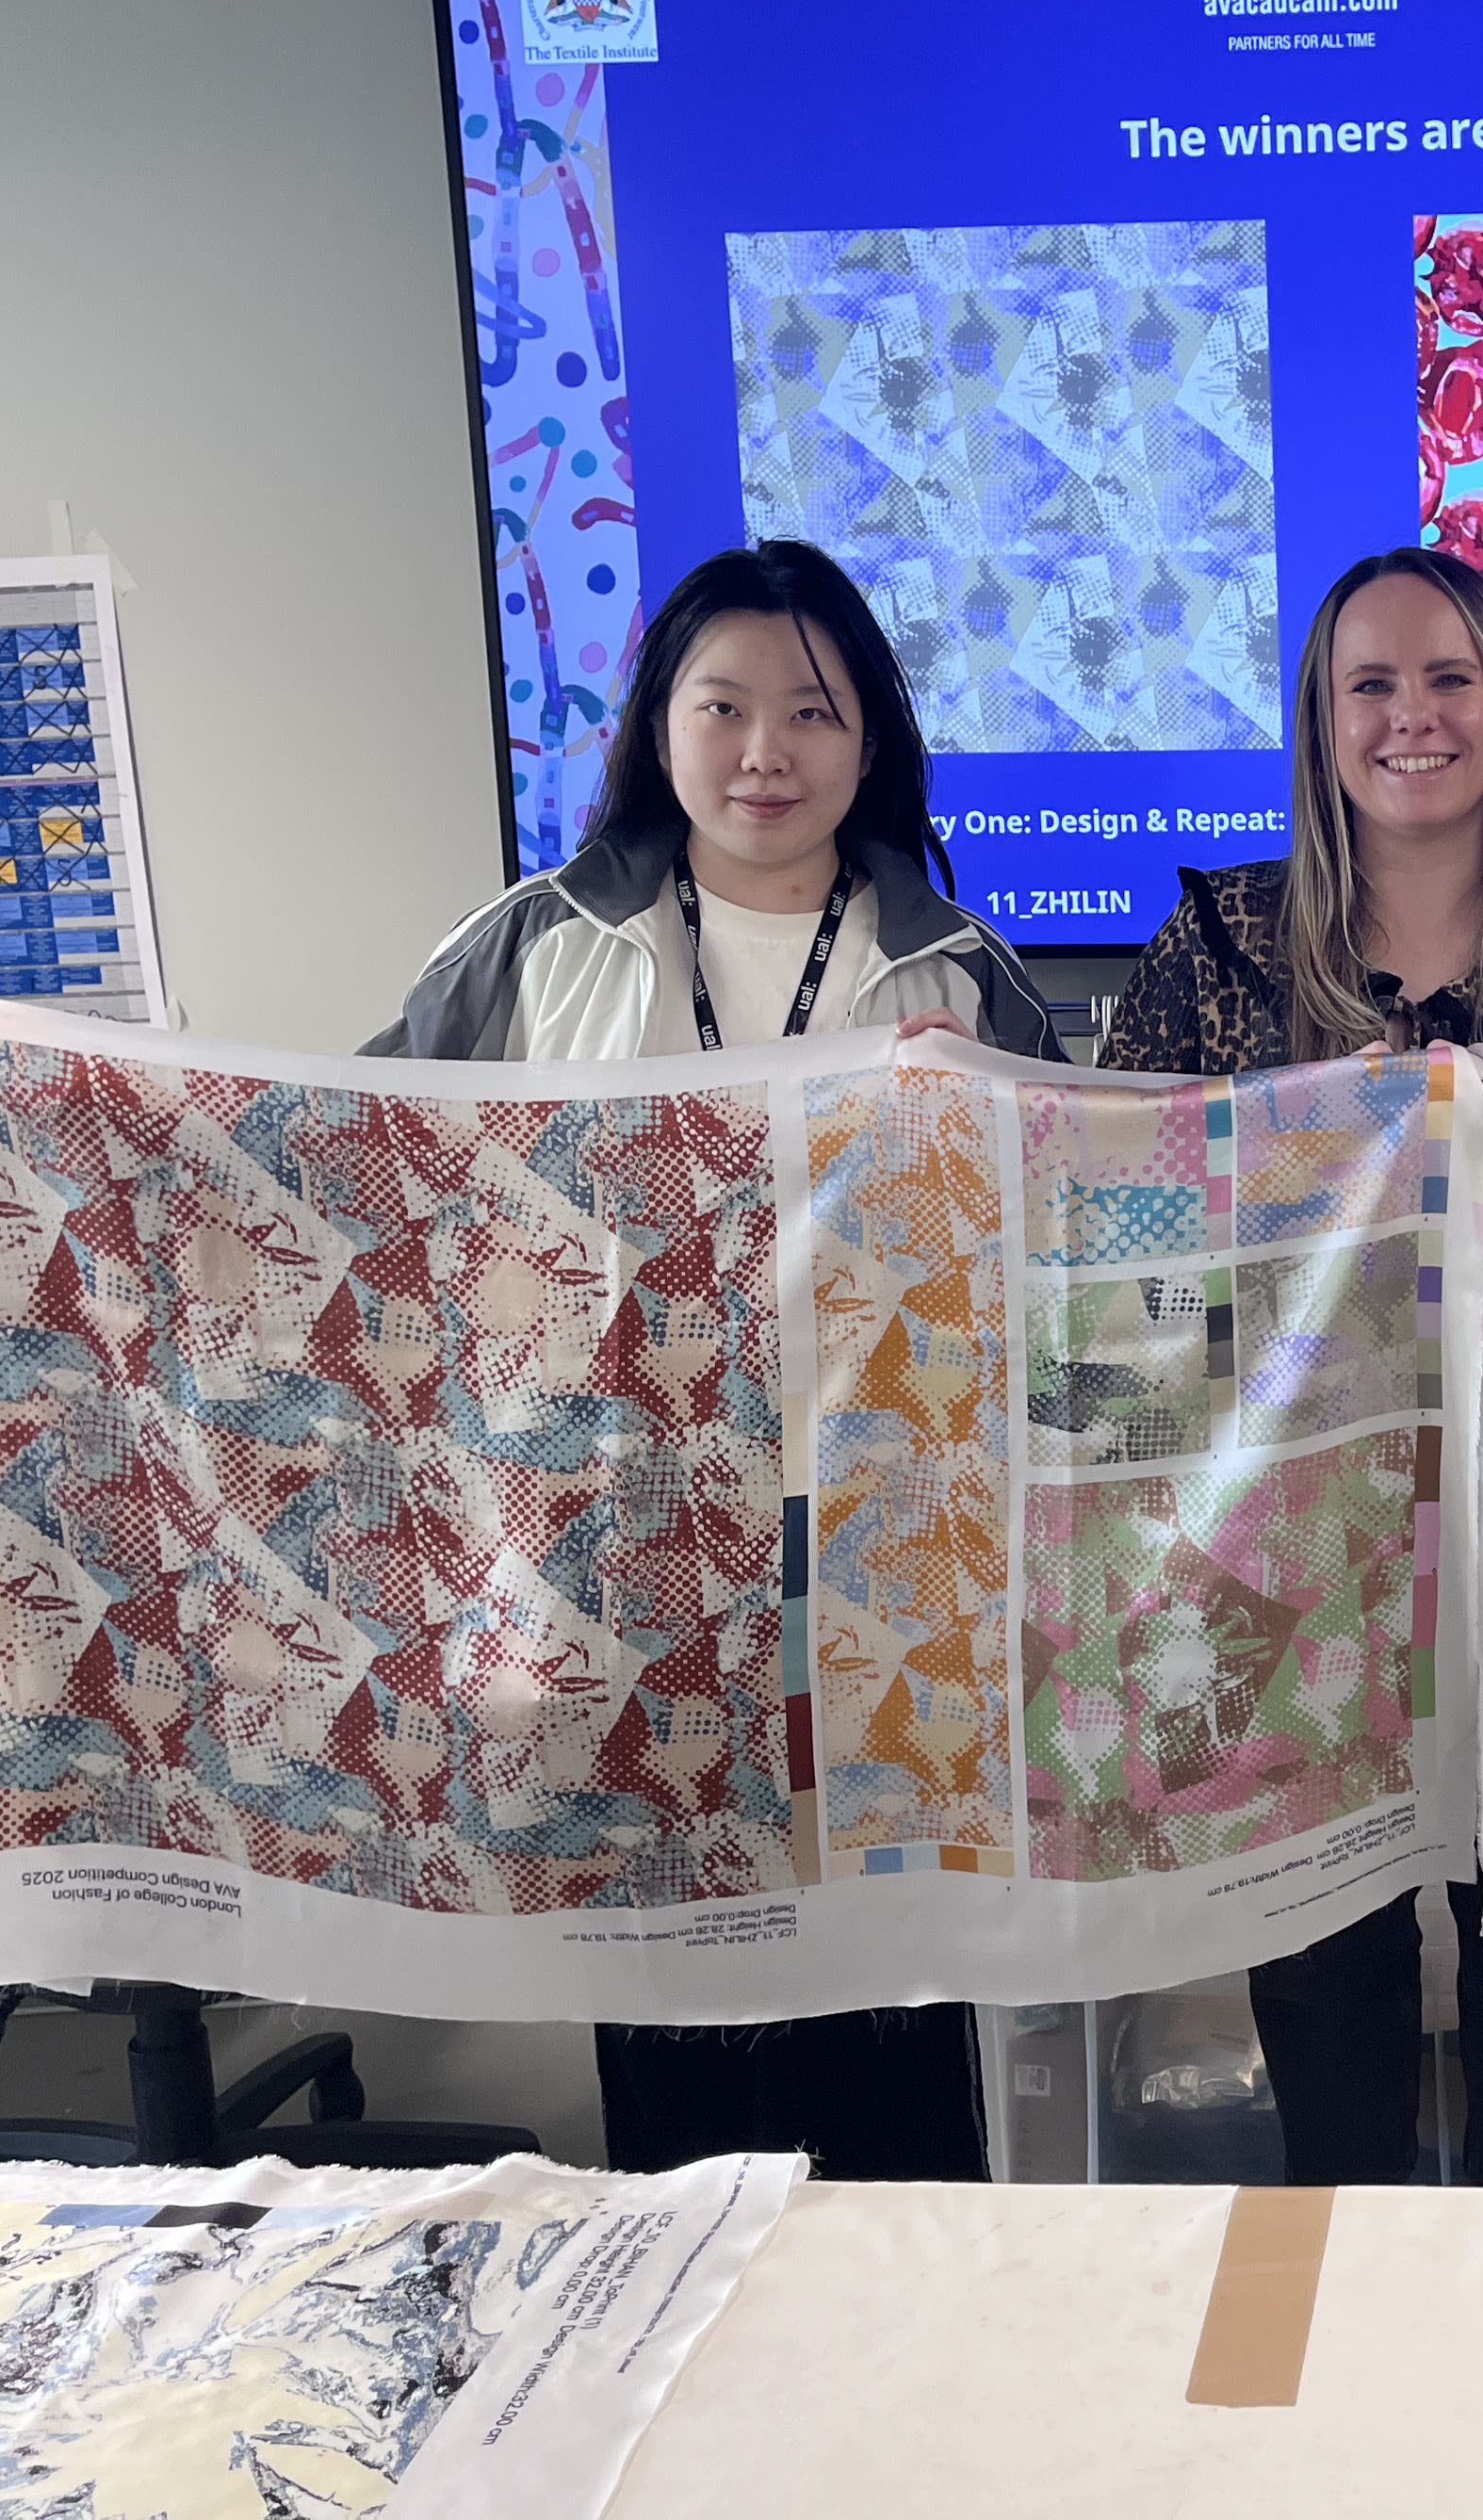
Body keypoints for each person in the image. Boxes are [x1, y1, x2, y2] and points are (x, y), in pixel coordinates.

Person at [379, 537, 1059, 2182]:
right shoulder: (535, 953)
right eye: (724, 707)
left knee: (891, 2038)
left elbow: (1060, 1262)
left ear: (871, 739)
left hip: (881, 1569)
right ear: (658, 724)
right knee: (678, 2049)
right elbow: (364, 1176)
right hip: (625, 1563)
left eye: (814, 712)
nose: (767, 753)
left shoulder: (951, 973)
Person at [1098, 544, 1483, 2185]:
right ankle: (1357, 2388)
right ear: (1319, 722)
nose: (1411, 717)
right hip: (1294, 1569)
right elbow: (1119, 1251)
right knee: (1328, 2037)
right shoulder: (1218, 949)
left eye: (1449, 678)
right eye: (1369, 684)